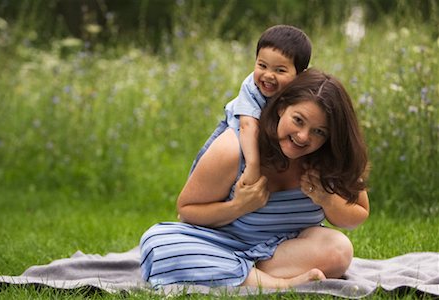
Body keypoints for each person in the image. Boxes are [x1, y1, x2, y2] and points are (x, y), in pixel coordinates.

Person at [140, 68, 370, 289]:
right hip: (220, 243)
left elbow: (356, 216)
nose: (303, 137)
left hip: (282, 252)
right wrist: (238, 206)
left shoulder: (330, 159)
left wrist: (326, 199)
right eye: (298, 120)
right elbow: (187, 211)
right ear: (281, 107)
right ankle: (278, 284)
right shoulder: (234, 149)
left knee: (339, 250)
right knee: (157, 243)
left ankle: (229, 274)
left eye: (319, 131)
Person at [190, 24, 312, 187]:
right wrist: (253, 166)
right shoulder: (251, 87)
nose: (268, 75)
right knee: (206, 161)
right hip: (240, 128)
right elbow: (248, 126)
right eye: (262, 66)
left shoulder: (303, 92)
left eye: (280, 70)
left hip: (264, 133)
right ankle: (193, 202)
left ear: (300, 75)